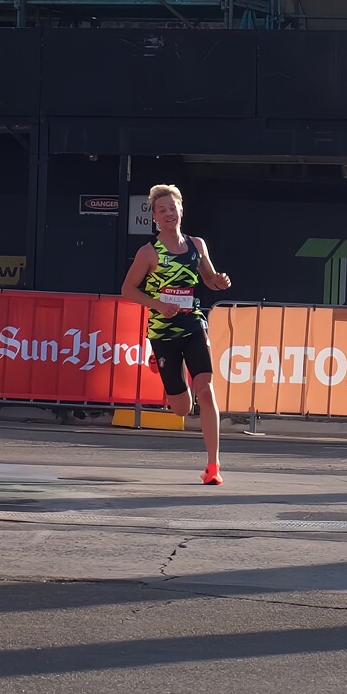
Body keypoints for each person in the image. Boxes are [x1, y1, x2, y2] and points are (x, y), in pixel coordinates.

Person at [121, 184, 232, 486]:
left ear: (181, 209)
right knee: (182, 408)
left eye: (173, 208)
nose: (169, 213)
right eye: (162, 210)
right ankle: (160, 366)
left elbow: (209, 280)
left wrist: (220, 282)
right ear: (155, 217)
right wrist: (158, 304)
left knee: (206, 391)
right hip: (163, 331)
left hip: (194, 325)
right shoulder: (148, 252)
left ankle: (213, 465)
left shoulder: (197, 245)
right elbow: (127, 289)